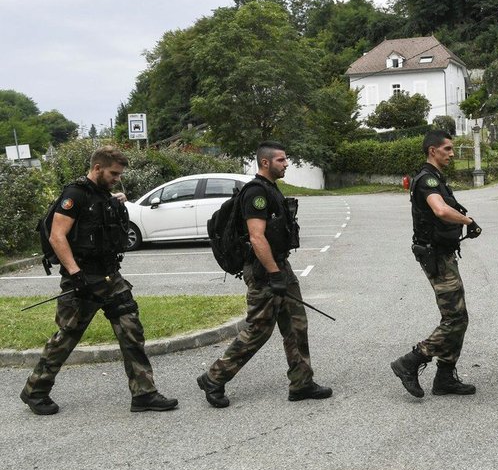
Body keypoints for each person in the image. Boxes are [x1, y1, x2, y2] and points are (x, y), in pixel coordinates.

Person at [20, 146, 178, 415]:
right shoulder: (75, 195)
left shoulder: (103, 194)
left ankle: (144, 394)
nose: (117, 177)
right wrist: (75, 274)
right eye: (114, 173)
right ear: (97, 168)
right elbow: (57, 236)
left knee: (131, 329)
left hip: (110, 276)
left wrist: (115, 201)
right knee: (67, 335)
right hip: (82, 279)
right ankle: (35, 390)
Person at [197, 141, 332, 407]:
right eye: (281, 160)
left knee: (295, 325)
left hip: (280, 266)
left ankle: (302, 382)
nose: (286, 164)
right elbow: (256, 237)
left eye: (285, 159)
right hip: (264, 271)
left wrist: (281, 271)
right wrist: (274, 274)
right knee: (259, 329)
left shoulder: (272, 189)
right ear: (266, 163)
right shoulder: (256, 193)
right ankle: (214, 377)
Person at [391, 130, 481, 398]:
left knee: (458, 318)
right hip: (437, 257)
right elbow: (440, 210)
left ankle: (444, 378)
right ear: (433, 150)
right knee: (455, 318)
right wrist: (468, 221)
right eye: (448, 149)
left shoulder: (435, 178)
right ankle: (411, 360)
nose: (452, 154)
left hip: (443, 253)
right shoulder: (427, 180)